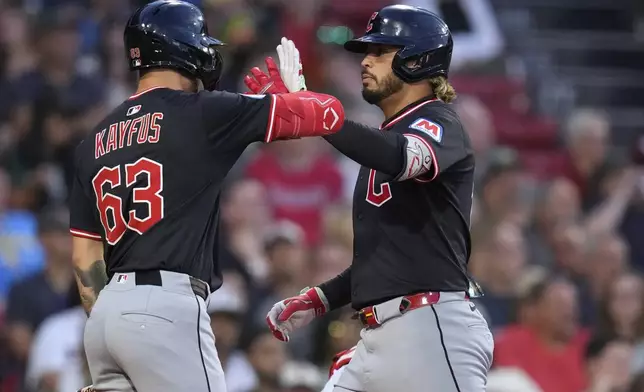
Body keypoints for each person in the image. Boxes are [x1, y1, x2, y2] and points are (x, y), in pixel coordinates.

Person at [68, 1, 345, 391]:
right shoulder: (202, 111)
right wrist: (293, 95)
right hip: (165, 307)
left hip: (106, 317)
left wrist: (113, 320)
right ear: (184, 49)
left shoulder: (93, 140)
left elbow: (84, 259)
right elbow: (326, 114)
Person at [245, 5, 493, 391]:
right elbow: (386, 256)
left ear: (417, 59)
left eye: (381, 51)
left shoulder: (441, 121)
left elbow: (402, 157)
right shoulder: (382, 140)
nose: (366, 61)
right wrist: (321, 298)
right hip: (380, 335)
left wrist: (315, 111)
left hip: (432, 330)